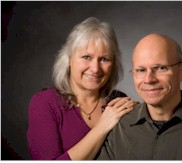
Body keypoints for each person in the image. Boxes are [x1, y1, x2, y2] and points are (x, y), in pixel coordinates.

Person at [27, 17, 138, 160]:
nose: (95, 68)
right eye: (86, 57)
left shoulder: (118, 100)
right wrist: (102, 127)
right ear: (68, 60)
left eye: (104, 59)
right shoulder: (44, 103)